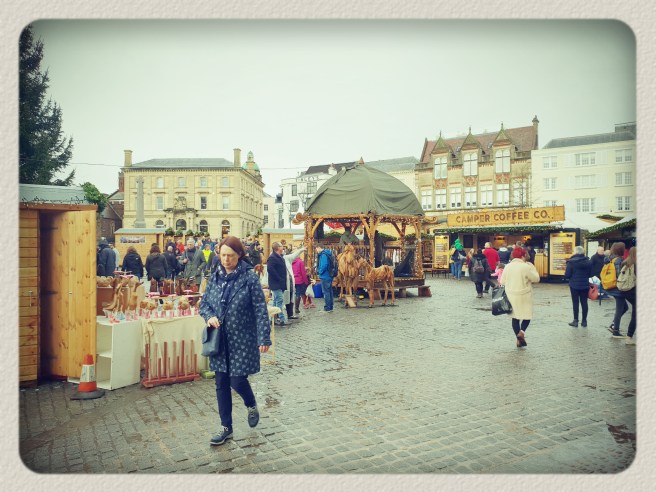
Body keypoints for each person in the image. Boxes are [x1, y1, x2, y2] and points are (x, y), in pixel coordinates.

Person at [199, 236, 271, 446]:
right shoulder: (215, 277)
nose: (226, 260)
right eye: (223, 255)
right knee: (221, 382)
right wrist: (209, 316)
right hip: (219, 340)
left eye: (230, 256)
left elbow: (260, 309)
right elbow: (204, 304)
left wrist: (264, 337)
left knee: (237, 380)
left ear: (239, 255)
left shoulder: (249, 278)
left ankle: (251, 404)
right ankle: (226, 427)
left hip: (242, 338)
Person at [501, 247, 540, 348]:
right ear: (523, 256)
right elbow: (536, 279)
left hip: (511, 295)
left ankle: (518, 340)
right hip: (524, 295)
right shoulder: (526, 266)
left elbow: (502, 281)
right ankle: (521, 333)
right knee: (527, 315)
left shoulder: (508, 266)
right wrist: (532, 268)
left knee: (515, 317)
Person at [564, 245, 592, 327]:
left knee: (575, 303)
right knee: (584, 302)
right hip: (585, 285)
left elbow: (567, 275)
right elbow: (591, 274)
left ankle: (575, 321)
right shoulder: (588, 262)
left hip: (574, 285)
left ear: (576, 252)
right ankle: (584, 321)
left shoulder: (571, 262)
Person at [605, 242, 629, 338]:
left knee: (625, 307)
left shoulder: (609, 259)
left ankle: (613, 325)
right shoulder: (618, 260)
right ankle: (615, 331)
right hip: (618, 288)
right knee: (619, 309)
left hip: (612, 286)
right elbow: (620, 275)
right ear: (620, 250)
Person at [266, 242, 288, 326]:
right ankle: (282, 319)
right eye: (281, 246)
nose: (283, 247)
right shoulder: (272, 258)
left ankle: (272, 319)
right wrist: (279, 278)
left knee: (276, 301)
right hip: (276, 283)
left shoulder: (279, 256)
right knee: (279, 300)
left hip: (279, 283)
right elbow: (270, 269)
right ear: (278, 248)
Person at [283, 244, 306, 320]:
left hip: (291, 281)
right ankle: (296, 308)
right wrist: (306, 281)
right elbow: (303, 272)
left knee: (289, 295)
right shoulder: (300, 262)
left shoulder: (288, 260)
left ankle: (288, 311)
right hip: (297, 280)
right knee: (297, 294)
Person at [620, 247, 637, 345]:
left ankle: (629, 337)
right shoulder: (637, 264)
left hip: (625, 290)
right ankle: (629, 337)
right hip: (633, 290)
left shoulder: (625, 262)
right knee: (636, 315)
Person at [316, 245, 335, 313]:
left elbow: (324, 265)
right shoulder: (328, 253)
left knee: (326, 292)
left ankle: (327, 308)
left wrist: (319, 272)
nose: (316, 251)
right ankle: (331, 307)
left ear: (318, 247)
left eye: (316, 249)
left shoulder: (323, 255)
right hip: (329, 275)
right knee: (329, 292)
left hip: (325, 276)